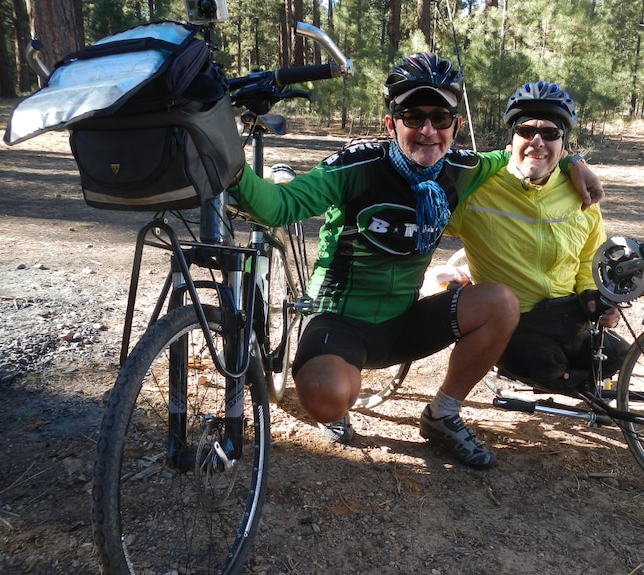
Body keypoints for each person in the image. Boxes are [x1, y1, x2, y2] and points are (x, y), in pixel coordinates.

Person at [228, 56, 601, 469]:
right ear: (391, 125)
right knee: (326, 396)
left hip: (405, 321)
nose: (427, 130)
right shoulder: (357, 166)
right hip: (342, 320)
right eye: (412, 116)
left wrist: (572, 160)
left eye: (440, 118)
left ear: (455, 127)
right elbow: (279, 207)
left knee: (500, 302)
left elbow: (529, 150)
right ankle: (334, 407)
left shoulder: (464, 169)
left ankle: (442, 414)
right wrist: (231, 166)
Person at [445, 81, 629, 391]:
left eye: (550, 133)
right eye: (527, 131)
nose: (537, 141)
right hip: (515, 323)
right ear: (510, 142)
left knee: (620, 357)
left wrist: (592, 295)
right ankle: (562, 378)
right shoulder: (477, 191)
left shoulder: (579, 194)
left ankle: (572, 378)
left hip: (569, 319)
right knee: (545, 365)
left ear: (564, 147)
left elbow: (589, 256)